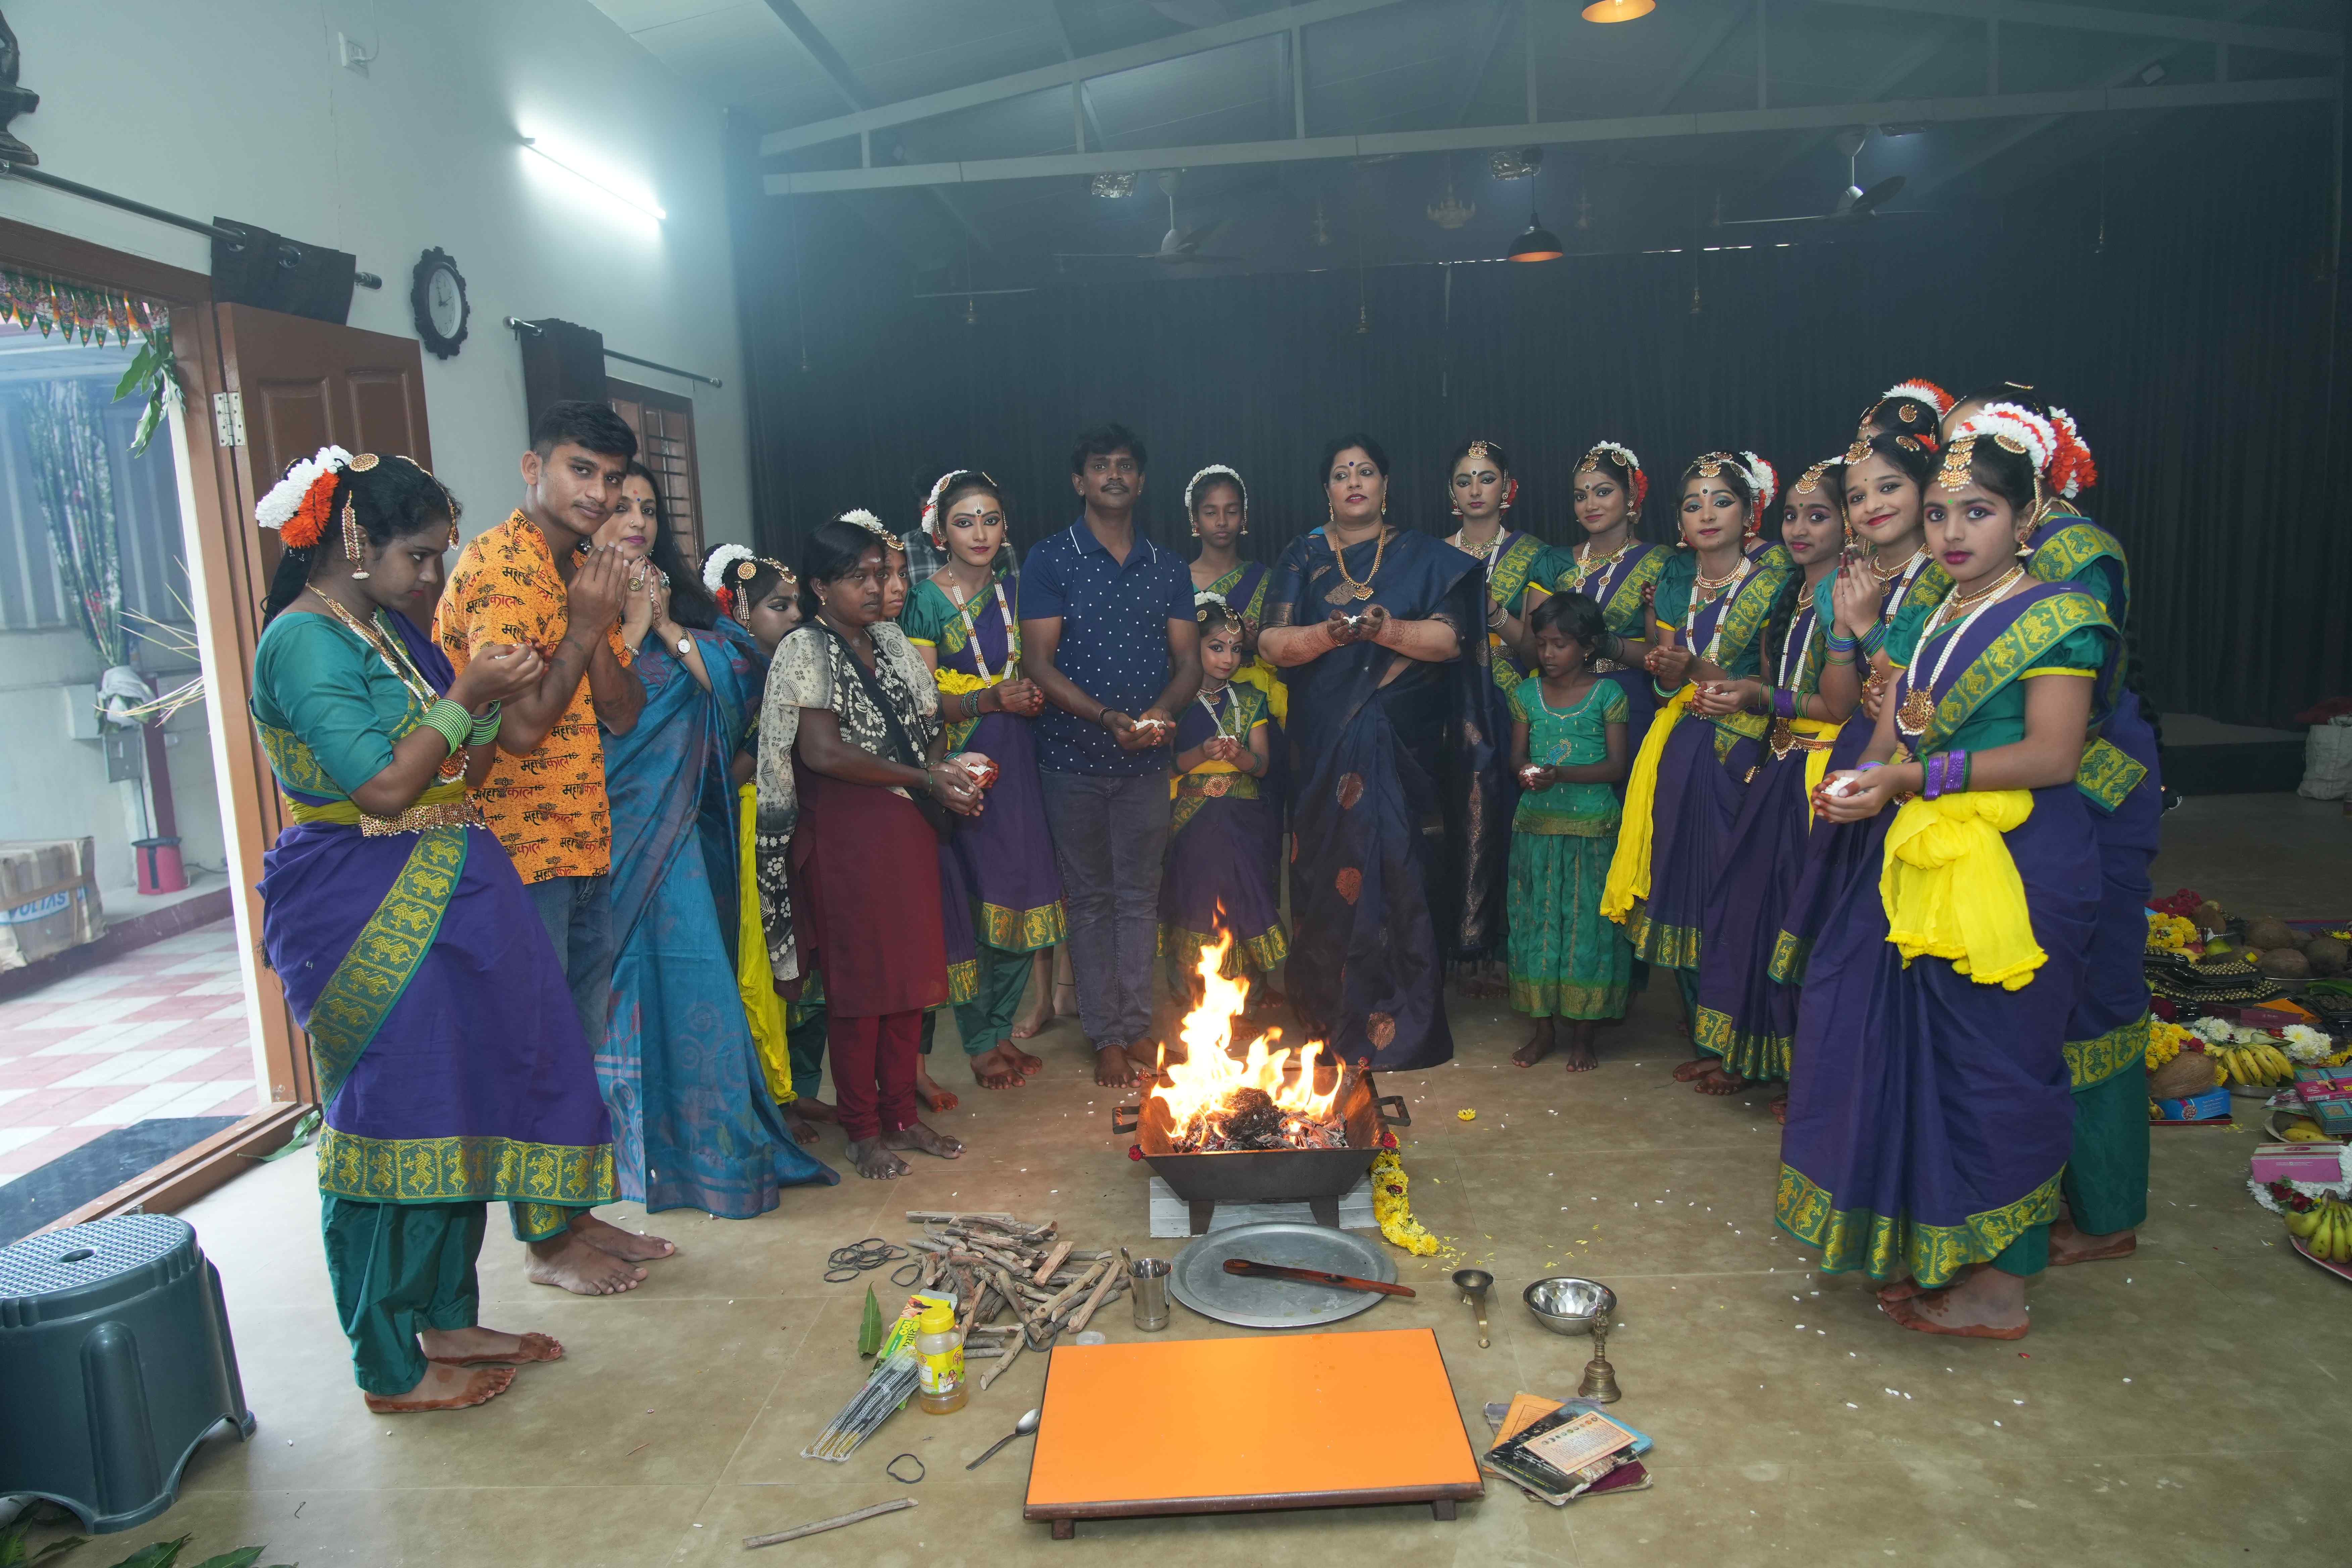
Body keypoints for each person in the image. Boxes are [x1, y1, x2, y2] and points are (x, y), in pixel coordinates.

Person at [250, 447, 611, 1411]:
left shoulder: (389, 632)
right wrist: (465, 696)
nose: (432, 577)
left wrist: (479, 704)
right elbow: (382, 787)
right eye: (418, 556)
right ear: (354, 542)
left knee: (460, 1104)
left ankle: (449, 1317)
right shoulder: (302, 641)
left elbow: (467, 772)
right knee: (392, 1118)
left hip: (456, 882)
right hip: (363, 900)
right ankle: (388, 1363)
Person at [1778, 403, 2114, 1340]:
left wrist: (1908, 779)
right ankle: (1941, 1250)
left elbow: (2053, 754)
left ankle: (2002, 1288)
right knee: (1911, 1056)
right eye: (1939, 514)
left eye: (1978, 512)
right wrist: (1861, 782)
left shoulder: (2059, 616)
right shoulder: (1934, 614)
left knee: (1994, 1065)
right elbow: (1897, 730)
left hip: (2017, 868)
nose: (1953, 532)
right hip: (1922, 859)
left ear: (2026, 516)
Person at [435, 399, 672, 1292]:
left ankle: (571, 1214)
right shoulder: (501, 569)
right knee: (534, 1044)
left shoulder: (577, 570)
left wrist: (597, 618)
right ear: (534, 468)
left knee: (573, 1043)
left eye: (612, 478)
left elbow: (624, 710)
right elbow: (522, 729)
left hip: (579, 840)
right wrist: (581, 624)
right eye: (582, 471)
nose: (600, 493)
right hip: (511, 852)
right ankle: (545, 1243)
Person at [586, 469, 837, 1214]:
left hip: (691, 835)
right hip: (608, 837)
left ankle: (711, 1149)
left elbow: (746, 685)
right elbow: (586, 716)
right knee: (620, 997)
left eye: (648, 507)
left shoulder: (690, 604)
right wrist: (632, 627)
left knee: (700, 985)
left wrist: (666, 625)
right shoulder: (571, 600)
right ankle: (627, 1158)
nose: (637, 519)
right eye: (621, 506)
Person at [1946, 389, 2156, 1268]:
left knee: (2092, 1002)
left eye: (1974, 446)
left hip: (2084, 796)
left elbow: (2068, 713)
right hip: (2005, 799)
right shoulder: (1968, 556)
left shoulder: (2073, 555)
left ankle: (2106, 1213)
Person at [1257, 434, 1502, 1070]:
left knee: (1403, 873)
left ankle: (1405, 1019)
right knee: (1327, 875)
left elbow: (1448, 641)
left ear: (1386, 486)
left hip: (1401, 741)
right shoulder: (1303, 555)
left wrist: (1385, 628)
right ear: (1327, 491)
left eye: (1365, 471)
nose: (1354, 482)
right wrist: (1328, 634)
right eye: (1341, 474)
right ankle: (1327, 1014)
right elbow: (1271, 643)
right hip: (1325, 743)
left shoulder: (1424, 557)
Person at [760, 511, 982, 1179]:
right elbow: (822, 752)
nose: (875, 586)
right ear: (820, 587)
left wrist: (946, 770)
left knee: (907, 984)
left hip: (904, 829)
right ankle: (861, 1128)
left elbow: (927, 718)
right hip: (846, 835)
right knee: (861, 990)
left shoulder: (888, 640)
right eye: (857, 576)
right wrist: (924, 778)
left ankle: (902, 1116)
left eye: (880, 574)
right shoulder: (806, 648)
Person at [1018, 424, 1201, 1087]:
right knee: (1092, 899)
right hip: (1071, 759)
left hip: (1146, 762)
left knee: (1138, 898)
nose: (1114, 476)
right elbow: (1037, 663)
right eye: (1101, 466)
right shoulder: (1050, 559)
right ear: (1080, 480)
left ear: (1141, 481)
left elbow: (1189, 663)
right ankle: (1106, 1037)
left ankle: (1136, 1025)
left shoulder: (1168, 567)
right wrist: (1105, 716)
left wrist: (1160, 714)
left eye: (1126, 466)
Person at [1601, 452, 1794, 1064]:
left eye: (1721, 501)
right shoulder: (1675, 583)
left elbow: (1777, 683)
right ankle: (1707, 1039)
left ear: (1750, 513)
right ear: (1679, 523)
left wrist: (1696, 670)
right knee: (1682, 888)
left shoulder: (1777, 581)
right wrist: (1668, 671)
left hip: (1746, 750)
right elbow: (1666, 682)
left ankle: (1744, 1043)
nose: (1706, 514)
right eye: (1693, 504)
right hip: (1681, 747)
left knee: (1734, 892)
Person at [1688, 459, 1854, 1108]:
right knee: (1753, 912)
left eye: (1818, 516)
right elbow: (1776, 685)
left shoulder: (1845, 595)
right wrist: (1750, 694)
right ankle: (1755, 1057)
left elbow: (1836, 706)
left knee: (1798, 919)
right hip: (1779, 761)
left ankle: (1803, 1075)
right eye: (1791, 516)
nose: (1799, 528)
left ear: (1847, 525)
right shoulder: (1793, 591)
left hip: (1820, 768)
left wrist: (1757, 695)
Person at [903, 470, 1067, 1090]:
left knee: (1026, 896)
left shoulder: (1019, 593)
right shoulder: (924, 601)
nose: (980, 533)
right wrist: (988, 700)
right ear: (940, 533)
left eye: (991, 520)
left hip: (1025, 759)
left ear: (1006, 527)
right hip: (967, 764)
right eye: (964, 521)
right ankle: (977, 1043)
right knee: (977, 899)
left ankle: (999, 1028)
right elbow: (921, 704)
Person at [710, 547, 834, 1146]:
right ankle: (771, 1096)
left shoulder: (793, 661)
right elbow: (724, 770)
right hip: (751, 823)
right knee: (763, 961)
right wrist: (771, 726)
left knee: (803, 956)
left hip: (799, 820)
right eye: (777, 606)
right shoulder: (731, 671)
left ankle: (795, 1085)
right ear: (739, 611)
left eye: (796, 606)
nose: (794, 616)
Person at [1506, 593, 1631, 1072]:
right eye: (1542, 643)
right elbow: (1517, 757)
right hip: (1536, 827)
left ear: (1588, 646)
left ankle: (1584, 1036)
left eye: (1560, 644)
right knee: (1536, 926)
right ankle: (1543, 1032)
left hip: (1592, 830)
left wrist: (1560, 775)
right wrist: (1527, 772)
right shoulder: (1526, 695)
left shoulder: (1608, 695)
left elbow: (1616, 767)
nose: (1549, 653)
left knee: (1586, 929)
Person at [1443, 437, 1544, 993]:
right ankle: (1459, 945)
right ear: (1451, 492)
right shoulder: (1434, 554)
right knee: (1453, 821)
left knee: (1506, 825)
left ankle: (1506, 946)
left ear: (1508, 488)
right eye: (1465, 480)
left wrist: (1493, 612)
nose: (1475, 489)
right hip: (1450, 704)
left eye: (1486, 478)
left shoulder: (1534, 556)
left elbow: (1538, 651)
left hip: (1511, 705)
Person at [1160, 593, 1286, 1003]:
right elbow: (1168, 768)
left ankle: (1246, 1000)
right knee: (1196, 898)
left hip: (1245, 820)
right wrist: (1202, 753)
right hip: (1194, 823)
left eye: (1235, 648)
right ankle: (1194, 998)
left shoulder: (1251, 698)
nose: (1228, 659)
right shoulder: (1174, 702)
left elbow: (1262, 766)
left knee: (1245, 897)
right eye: (1216, 647)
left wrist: (1240, 757)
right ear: (1190, 647)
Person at [1523, 442, 1664, 764]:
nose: (1590, 505)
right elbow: (1531, 650)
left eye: (1603, 492)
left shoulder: (1660, 563)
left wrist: (1605, 645)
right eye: (1580, 496)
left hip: (1628, 697)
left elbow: (1661, 658)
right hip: (1557, 700)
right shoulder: (1553, 562)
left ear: (1631, 496)